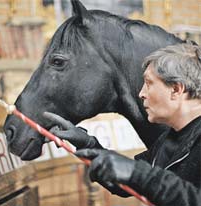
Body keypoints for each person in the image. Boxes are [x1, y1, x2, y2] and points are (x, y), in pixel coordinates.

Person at [43, 43, 201, 206]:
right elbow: (129, 185)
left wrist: (139, 174)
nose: (141, 94)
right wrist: (88, 144)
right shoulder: (168, 139)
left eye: (149, 83)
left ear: (176, 89)